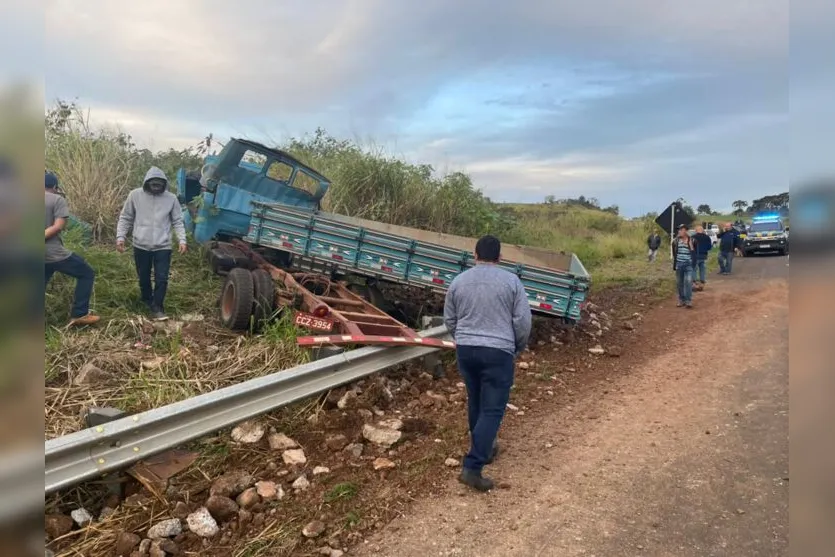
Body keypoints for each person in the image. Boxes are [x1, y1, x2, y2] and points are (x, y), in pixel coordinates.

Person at [443, 235, 532, 492]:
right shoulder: (511, 281)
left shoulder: (459, 281)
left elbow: (450, 318)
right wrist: (517, 346)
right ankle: (473, 466)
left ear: (475, 255)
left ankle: (485, 447)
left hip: (467, 350)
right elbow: (522, 322)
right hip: (498, 351)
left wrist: (463, 338)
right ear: (500, 257)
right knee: (492, 409)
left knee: (476, 401)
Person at [116, 167, 187, 321]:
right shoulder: (135, 195)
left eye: (159, 185)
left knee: (162, 277)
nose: (156, 188)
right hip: (141, 244)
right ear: (147, 183)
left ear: (164, 184)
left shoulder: (171, 198)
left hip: (163, 245)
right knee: (143, 276)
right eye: (153, 185)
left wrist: (182, 240)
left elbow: (177, 221)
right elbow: (126, 217)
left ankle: (158, 306)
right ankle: (147, 300)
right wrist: (120, 237)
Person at [44, 172, 100, 326]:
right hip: (54, 254)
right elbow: (58, 227)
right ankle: (79, 314)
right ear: (55, 187)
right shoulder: (57, 199)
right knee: (86, 273)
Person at [672, 224, 695, 308]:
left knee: (688, 282)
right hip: (679, 264)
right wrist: (676, 263)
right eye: (679, 230)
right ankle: (682, 300)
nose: (679, 231)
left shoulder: (692, 240)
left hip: (688, 264)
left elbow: (694, 253)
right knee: (679, 283)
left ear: (686, 231)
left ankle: (688, 301)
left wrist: (690, 245)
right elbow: (674, 253)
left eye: (681, 230)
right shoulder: (675, 241)